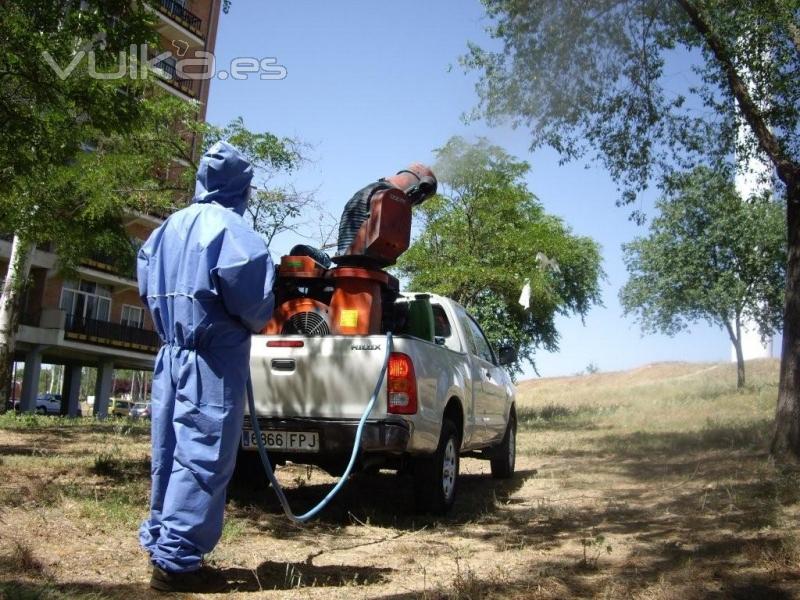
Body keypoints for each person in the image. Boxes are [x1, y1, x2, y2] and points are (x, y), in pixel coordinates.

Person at [137, 141, 275, 593]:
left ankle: (163, 543)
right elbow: (254, 306)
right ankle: (176, 564)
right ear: (242, 186)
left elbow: (147, 290)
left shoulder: (164, 231)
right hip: (213, 361)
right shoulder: (233, 233)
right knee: (203, 456)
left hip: (170, 356)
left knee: (169, 452)